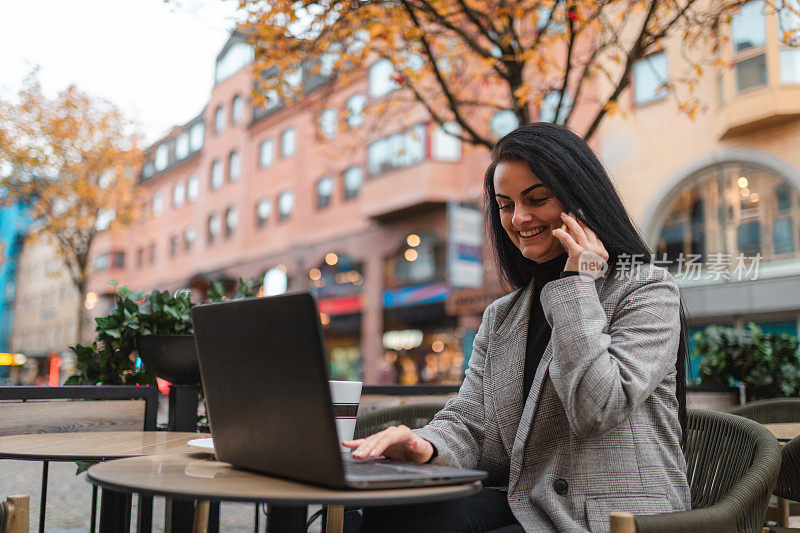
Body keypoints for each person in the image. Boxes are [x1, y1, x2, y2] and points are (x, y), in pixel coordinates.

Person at [343, 123, 691, 532]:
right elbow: (474, 418)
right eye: (505, 204)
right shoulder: (505, 314)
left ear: (582, 199)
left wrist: (578, 283)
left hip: (613, 517)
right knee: (383, 516)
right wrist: (427, 444)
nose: (518, 218)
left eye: (537, 198)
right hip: (528, 505)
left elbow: (597, 408)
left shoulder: (647, 289)